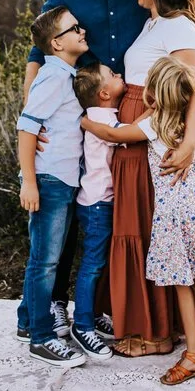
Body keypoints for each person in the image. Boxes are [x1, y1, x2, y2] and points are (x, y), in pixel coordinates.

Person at [22, 0, 150, 339]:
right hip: (77, 115)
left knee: (116, 211)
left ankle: (106, 305)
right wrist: (31, 114)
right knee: (70, 212)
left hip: (129, 111)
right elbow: (38, 53)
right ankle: (55, 306)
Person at [82, 56, 195, 383]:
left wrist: (86, 124)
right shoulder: (186, 122)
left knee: (182, 284)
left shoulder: (153, 124)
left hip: (176, 213)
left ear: (154, 92)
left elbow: (113, 134)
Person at [105, 0, 195, 357]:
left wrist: (188, 145)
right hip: (134, 137)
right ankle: (154, 324)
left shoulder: (178, 26)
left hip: (151, 137)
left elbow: (193, 89)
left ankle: (155, 333)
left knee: (144, 229)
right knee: (139, 225)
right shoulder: (154, 23)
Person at [15, 6, 88, 368]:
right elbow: (27, 127)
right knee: (44, 262)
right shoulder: (53, 77)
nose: (82, 30)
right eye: (74, 28)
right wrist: (29, 180)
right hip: (48, 181)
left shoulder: (65, 74)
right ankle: (42, 338)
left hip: (61, 178)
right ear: (57, 43)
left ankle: (28, 322)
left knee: (48, 257)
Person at [67, 62, 127, 359]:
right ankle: (82, 325)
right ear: (104, 93)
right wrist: (155, 111)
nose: (119, 74)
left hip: (97, 201)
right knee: (92, 266)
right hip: (97, 204)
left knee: (99, 264)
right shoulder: (102, 119)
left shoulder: (99, 113)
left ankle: (92, 313)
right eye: (113, 75)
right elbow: (121, 134)